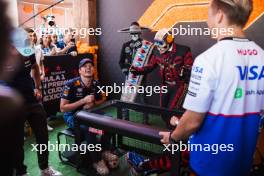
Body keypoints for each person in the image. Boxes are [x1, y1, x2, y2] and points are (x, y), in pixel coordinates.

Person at [159, 0, 264, 176]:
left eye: (208, 15)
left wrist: (173, 137)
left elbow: (192, 121)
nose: (207, 22)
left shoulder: (208, 60)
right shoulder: (261, 56)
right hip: (243, 164)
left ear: (220, 15)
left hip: (208, 165)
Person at [7, 28, 62, 176]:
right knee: (17, 142)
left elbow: (35, 67)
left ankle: (44, 168)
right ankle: (21, 172)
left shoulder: (28, 52)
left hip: (32, 100)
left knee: (43, 135)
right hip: (13, 106)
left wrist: (38, 87)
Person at [60, 58, 119, 175]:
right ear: (80, 71)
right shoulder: (70, 84)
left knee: (110, 121)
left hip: (90, 113)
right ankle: (97, 160)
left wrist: (94, 103)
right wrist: (83, 101)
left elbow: (103, 98)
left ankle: (105, 151)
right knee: (90, 128)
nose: (88, 68)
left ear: (94, 69)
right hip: (73, 116)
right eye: (84, 66)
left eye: (90, 66)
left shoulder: (96, 83)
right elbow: (63, 108)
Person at [131, 28, 193, 127]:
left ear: (169, 40)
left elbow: (189, 68)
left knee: (172, 111)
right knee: (163, 110)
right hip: (165, 85)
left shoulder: (184, 50)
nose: (158, 47)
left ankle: (173, 134)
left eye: (160, 43)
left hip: (179, 86)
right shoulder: (157, 52)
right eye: (156, 43)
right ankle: (169, 128)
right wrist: (136, 70)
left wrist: (185, 71)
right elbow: (150, 66)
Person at [118, 22, 149, 123]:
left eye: (136, 33)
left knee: (143, 99)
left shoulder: (146, 46)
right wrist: (126, 72)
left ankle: (145, 120)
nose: (134, 35)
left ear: (140, 33)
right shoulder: (125, 45)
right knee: (126, 98)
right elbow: (121, 61)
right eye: (132, 33)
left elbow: (151, 62)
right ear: (130, 33)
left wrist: (144, 72)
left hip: (141, 77)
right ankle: (125, 120)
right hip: (129, 77)